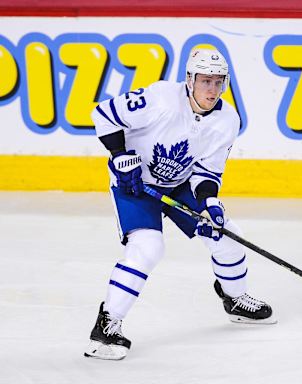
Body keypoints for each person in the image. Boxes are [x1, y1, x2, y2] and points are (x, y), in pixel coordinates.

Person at [84, 49, 276, 360]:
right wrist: (120, 155)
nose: (211, 90)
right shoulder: (160, 97)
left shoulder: (227, 120)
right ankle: (107, 325)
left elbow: (206, 172)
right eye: (205, 81)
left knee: (226, 234)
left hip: (179, 184)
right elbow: (103, 115)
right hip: (135, 184)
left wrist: (210, 204)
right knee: (148, 247)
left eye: (218, 82)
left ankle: (235, 299)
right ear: (189, 80)